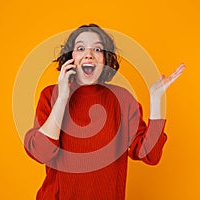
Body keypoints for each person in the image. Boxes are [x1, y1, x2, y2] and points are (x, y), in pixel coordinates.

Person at [24, 24, 185, 200]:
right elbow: (42, 153)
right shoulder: (50, 95)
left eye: (97, 49)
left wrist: (156, 100)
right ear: (71, 58)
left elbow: (150, 155)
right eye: (80, 48)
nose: (88, 54)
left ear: (105, 60)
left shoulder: (122, 100)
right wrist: (63, 97)